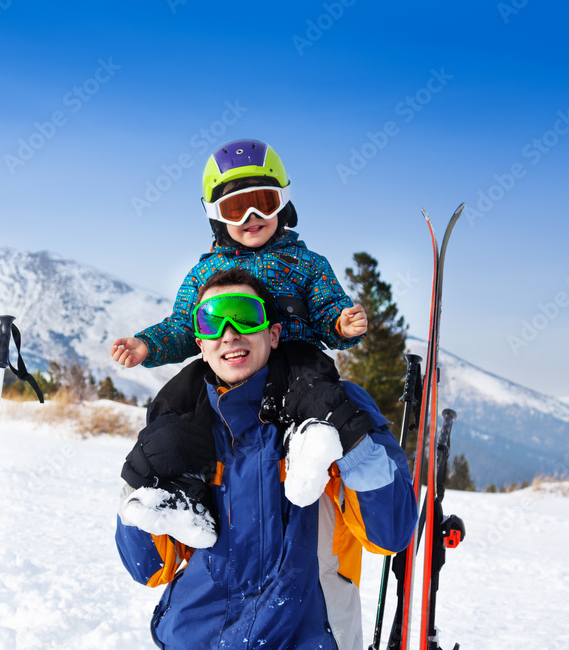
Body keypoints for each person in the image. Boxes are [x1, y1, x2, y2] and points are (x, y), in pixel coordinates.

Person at [115, 268, 417, 650]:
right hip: (194, 637)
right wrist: (137, 480)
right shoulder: (179, 424)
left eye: (245, 315)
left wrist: (350, 433)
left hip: (309, 636)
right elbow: (148, 569)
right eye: (212, 322)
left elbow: (390, 533)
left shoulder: (335, 406)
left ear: (273, 334)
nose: (229, 332)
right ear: (201, 344)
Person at [111, 138, 366, 370]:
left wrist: (341, 325)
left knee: (324, 395)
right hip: (231, 370)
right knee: (180, 397)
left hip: (298, 370)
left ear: (282, 204)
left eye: (264, 203)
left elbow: (327, 310)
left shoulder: (309, 264)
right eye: (235, 209)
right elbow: (186, 328)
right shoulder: (205, 273)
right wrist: (149, 345)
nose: (252, 216)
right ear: (217, 217)